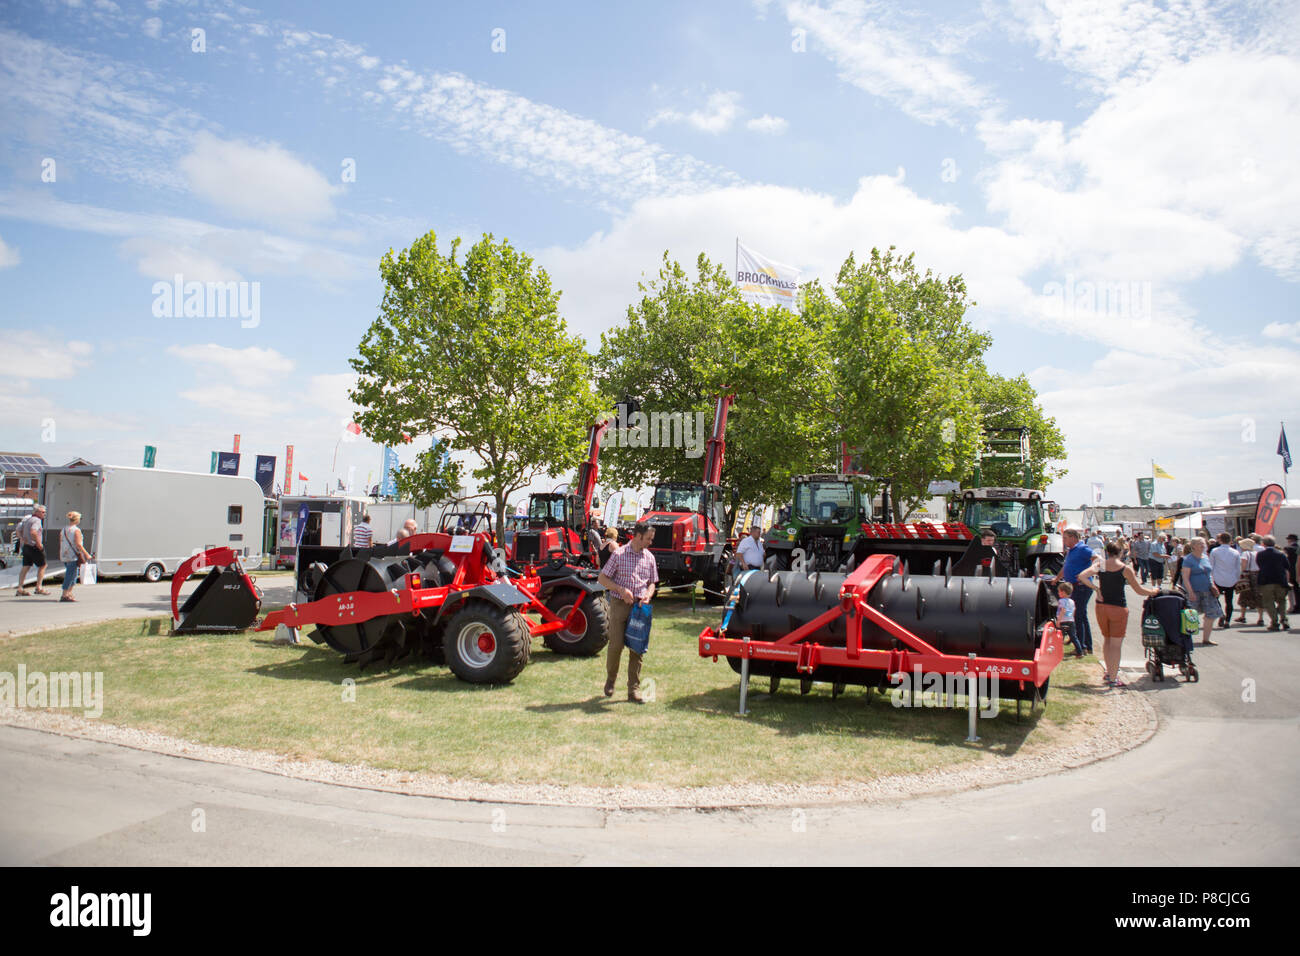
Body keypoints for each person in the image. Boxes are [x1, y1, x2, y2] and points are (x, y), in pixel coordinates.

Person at [1078, 541, 1160, 686]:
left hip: (1102, 606)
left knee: (1107, 640)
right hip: (1118, 607)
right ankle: (1113, 677)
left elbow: (1082, 576)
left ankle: (1109, 672)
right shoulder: (1124, 568)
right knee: (1116, 644)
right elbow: (1139, 590)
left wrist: (1096, 589)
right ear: (1120, 552)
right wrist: (1153, 592)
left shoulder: (1101, 564)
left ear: (1107, 552)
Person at [596, 521, 658, 703]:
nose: (650, 542)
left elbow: (652, 583)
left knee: (637, 649)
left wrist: (648, 594)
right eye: (648, 539)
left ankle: (634, 690)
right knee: (615, 646)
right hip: (620, 605)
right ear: (638, 536)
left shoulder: (649, 558)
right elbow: (602, 578)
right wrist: (621, 590)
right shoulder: (619, 554)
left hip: (640, 608)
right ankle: (611, 679)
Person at [1052, 527, 1097, 658]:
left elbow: (1097, 559)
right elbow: (1066, 567)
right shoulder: (1071, 551)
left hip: (1082, 586)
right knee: (1079, 615)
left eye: (1065, 538)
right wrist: (1056, 579)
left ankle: (1082, 647)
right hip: (1074, 586)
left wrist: (1087, 573)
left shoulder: (1083, 549)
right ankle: (1084, 645)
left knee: (1078, 615)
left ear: (1073, 537)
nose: (1063, 540)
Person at [1179, 537, 1222, 645]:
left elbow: (1209, 574)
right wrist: (1190, 592)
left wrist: (1213, 585)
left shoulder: (1205, 557)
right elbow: (1185, 577)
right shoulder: (1188, 559)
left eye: (1203, 543)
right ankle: (1186, 639)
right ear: (1193, 546)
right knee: (1190, 616)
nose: (1203, 546)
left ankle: (1206, 639)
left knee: (1211, 614)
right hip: (1194, 591)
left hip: (1207, 590)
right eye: (1200, 544)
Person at [1255, 535, 1290, 631]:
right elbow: (1287, 568)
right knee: (1282, 601)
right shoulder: (1281, 554)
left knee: (1269, 602)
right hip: (1280, 580)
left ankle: (1275, 622)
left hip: (1266, 581)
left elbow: (1259, 565)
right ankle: (1284, 619)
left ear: (1264, 544)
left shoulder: (1260, 554)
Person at [1208, 532, 1242, 627]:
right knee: (1229, 601)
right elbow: (1238, 567)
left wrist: (1210, 578)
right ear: (1230, 540)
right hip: (1231, 579)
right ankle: (1227, 621)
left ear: (1220, 540)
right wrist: (1238, 578)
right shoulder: (1235, 552)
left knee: (1215, 599)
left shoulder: (1214, 551)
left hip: (1217, 578)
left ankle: (1221, 614)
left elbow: (1211, 565)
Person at [15, 504, 50, 596]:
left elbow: (18, 530)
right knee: (43, 565)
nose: (44, 514)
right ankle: (39, 587)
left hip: (26, 546)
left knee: (26, 566)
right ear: (37, 512)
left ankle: (20, 588)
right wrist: (39, 544)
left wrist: (22, 539)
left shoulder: (28, 520)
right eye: (43, 512)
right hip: (34, 546)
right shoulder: (37, 520)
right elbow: (33, 532)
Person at [58, 511, 92, 602]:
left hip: (64, 554)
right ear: (77, 520)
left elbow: (60, 541)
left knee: (73, 574)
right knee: (70, 575)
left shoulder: (64, 529)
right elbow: (78, 544)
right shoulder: (76, 530)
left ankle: (69, 593)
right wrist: (86, 554)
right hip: (73, 555)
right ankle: (65, 594)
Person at [1234, 538, 1264, 627]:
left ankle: (1243, 616)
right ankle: (1261, 618)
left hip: (1248, 575)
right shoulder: (1257, 553)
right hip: (1257, 575)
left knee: (1244, 595)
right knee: (1258, 595)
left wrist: (1240, 575)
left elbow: (1243, 565)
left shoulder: (1245, 553)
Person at [1056, 581, 1075, 647]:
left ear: (1063, 592)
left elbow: (1063, 610)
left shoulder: (1061, 601)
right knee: (1073, 636)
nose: (1058, 593)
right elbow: (1074, 610)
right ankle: (1079, 651)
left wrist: (1058, 621)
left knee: (1061, 636)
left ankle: (1059, 649)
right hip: (1071, 620)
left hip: (1063, 621)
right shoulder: (1072, 601)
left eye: (1059, 591)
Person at [1286, 533, 1299, 614]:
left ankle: (1292, 606)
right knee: (1297, 590)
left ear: (1290, 540)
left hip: (1290, 571)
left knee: (1290, 590)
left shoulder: (1288, 549)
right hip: (1298, 572)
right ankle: (1297, 606)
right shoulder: (1298, 548)